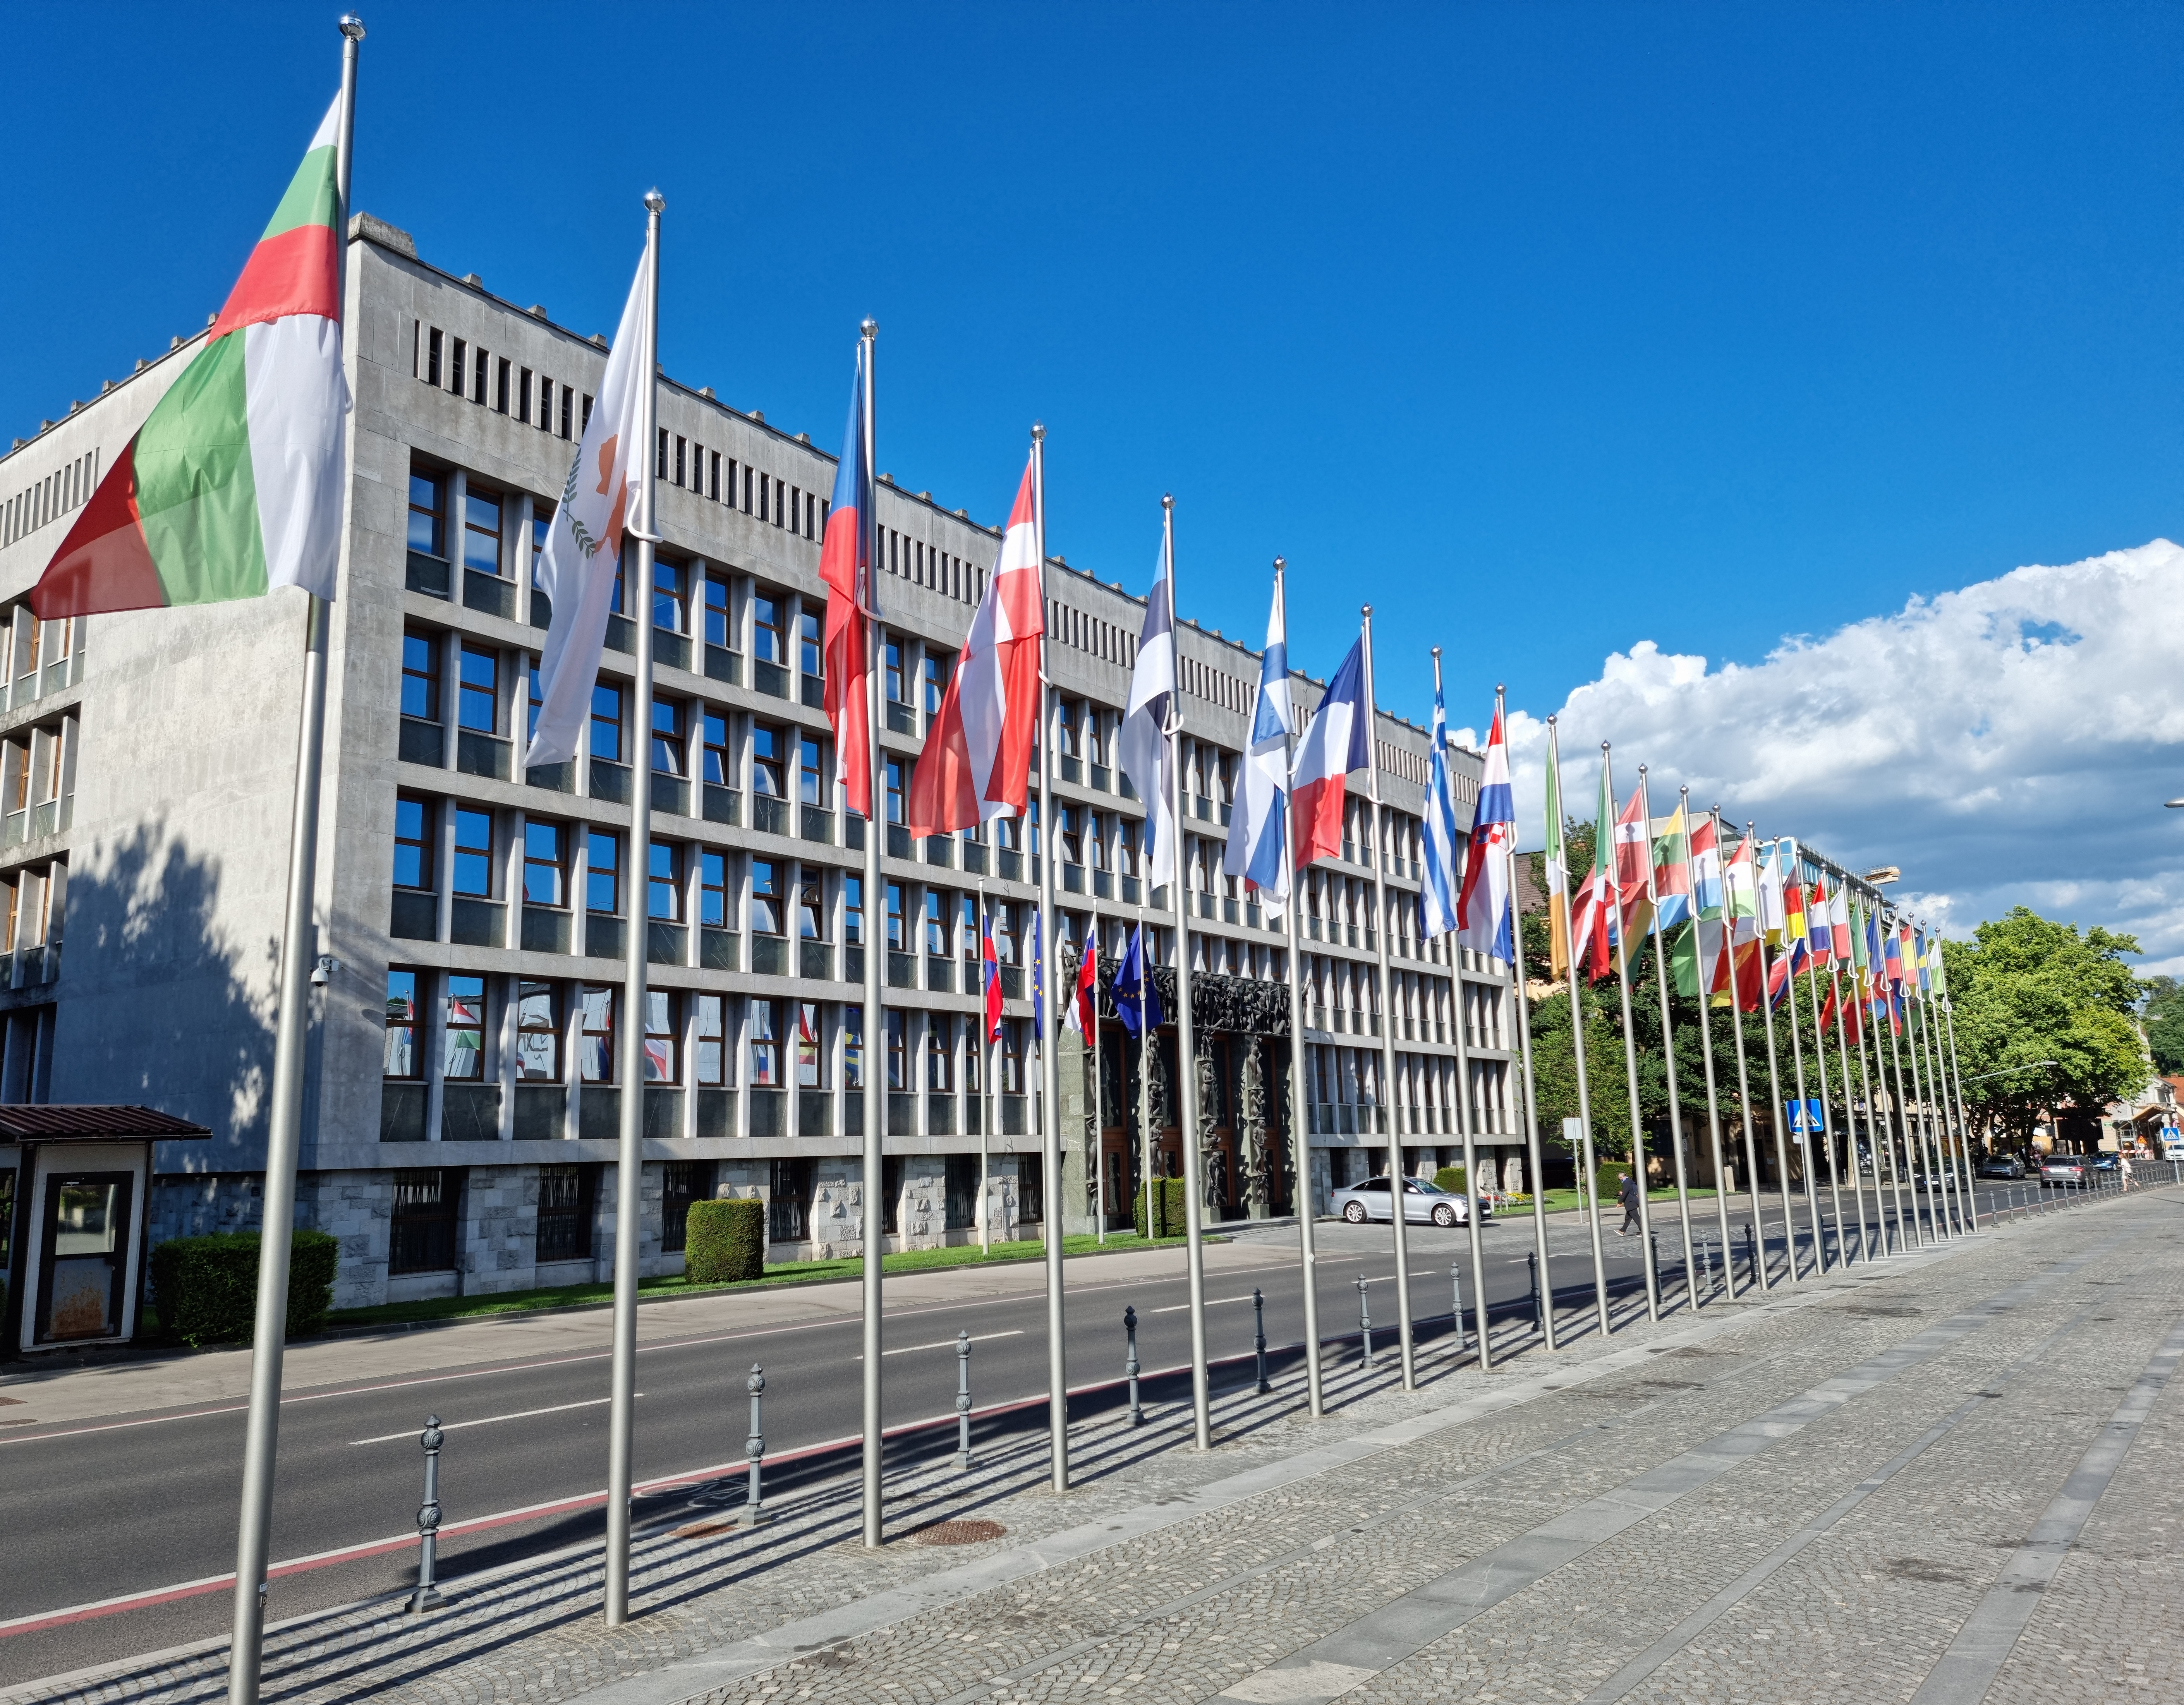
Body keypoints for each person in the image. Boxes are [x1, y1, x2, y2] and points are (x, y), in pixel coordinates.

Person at [1617, 1167, 1643, 1235]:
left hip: (1631, 1203)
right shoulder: (1630, 1181)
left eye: (1619, 1178)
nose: (1620, 1180)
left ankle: (1644, 1232)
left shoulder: (1626, 1183)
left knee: (1637, 1219)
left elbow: (1625, 1193)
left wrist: (1619, 1202)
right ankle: (1622, 1231)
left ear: (1621, 1177)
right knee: (1628, 1218)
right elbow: (1629, 1191)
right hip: (1632, 1202)